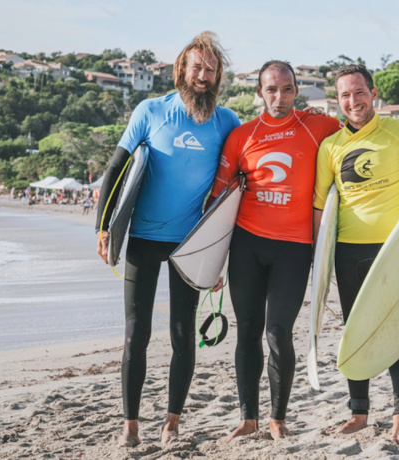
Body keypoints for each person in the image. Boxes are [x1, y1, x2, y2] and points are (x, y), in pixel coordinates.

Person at [95, 31, 240, 447]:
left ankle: (172, 421)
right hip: (142, 235)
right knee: (135, 332)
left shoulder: (226, 121)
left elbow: (234, 188)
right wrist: (104, 228)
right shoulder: (151, 110)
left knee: (182, 333)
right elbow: (116, 169)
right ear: (182, 69)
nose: (203, 76)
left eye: (211, 70)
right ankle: (131, 424)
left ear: (217, 78)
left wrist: (217, 258)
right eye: (197, 67)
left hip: (190, 245)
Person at [210, 60, 341, 442]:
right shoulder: (240, 136)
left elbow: (356, 136)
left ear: (297, 91)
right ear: (259, 92)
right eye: (271, 89)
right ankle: (248, 418)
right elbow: (219, 200)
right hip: (247, 245)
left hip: (294, 248)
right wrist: (211, 262)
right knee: (247, 331)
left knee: (279, 331)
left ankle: (277, 418)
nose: (279, 97)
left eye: (286, 89)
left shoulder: (319, 127)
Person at [312, 64, 399, 444]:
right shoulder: (330, 147)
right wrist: (318, 263)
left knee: (397, 331)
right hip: (347, 251)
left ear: (373, 93)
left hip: (393, 250)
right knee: (355, 331)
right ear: (337, 100)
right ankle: (359, 412)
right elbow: (319, 207)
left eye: (359, 92)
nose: (353, 101)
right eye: (345, 95)